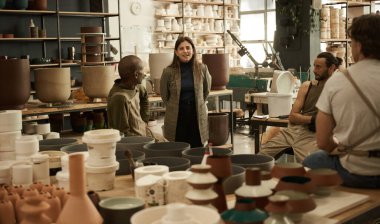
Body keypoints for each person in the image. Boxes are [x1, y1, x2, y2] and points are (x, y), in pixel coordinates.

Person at [303, 14, 380, 188]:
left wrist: (341, 148)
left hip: (354, 172)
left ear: (358, 46)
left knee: (313, 159)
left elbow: (323, 142)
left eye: (351, 43)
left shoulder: (338, 81)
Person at [258, 52, 340, 162]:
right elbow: (293, 117)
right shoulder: (307, 86)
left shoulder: (338, 90)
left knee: (312, 165)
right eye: (314, 66)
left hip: (314, 135)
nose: (314, 70)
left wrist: (310, 120)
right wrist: (313, 119)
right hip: (293, 131)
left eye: (319, 67)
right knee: (260, 157)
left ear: (331, 68)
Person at [160, 36, 212, 148]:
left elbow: (206, 91)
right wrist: (173, 106)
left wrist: (198, 102)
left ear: (193, 50)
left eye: (188, 48)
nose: (185, 51)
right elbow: (164, 95)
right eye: (181, 48)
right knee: (178, 147)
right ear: (176, 52)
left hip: (196, 115)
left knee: (197, 148)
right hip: (177, 117)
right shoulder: (168, 72)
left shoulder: (202, 68)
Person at [107, 55, 165, 141]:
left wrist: (144, 120)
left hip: (143, 134)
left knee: (165, 141)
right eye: (142, 71)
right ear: (136, 75)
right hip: (133, 143)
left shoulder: (137, 86)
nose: (144, 74)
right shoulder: (119, 98)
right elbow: (122, 134)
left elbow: (144, 97)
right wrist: (147, 140)